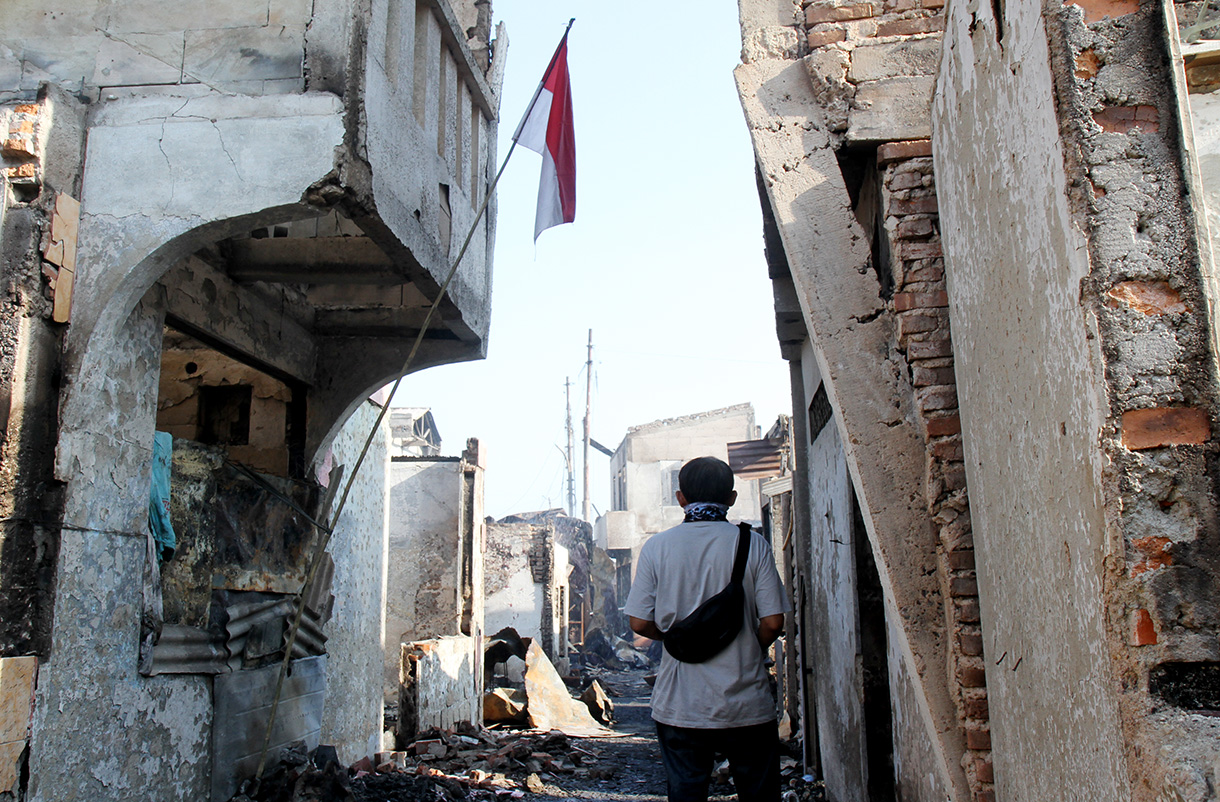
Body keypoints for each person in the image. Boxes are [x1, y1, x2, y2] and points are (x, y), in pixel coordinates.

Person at [624, 456, 788, 802]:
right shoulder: (752, 544)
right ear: (731, 498)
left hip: (681, 705)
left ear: (680, 498)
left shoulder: (657, 547)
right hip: (746, 706)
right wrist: (746, 645)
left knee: (686, 793)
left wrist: (676, 638)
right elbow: (774, 622)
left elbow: (638, 622)